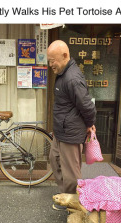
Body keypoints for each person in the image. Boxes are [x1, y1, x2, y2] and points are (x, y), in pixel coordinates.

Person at [47, 40, 96, 210]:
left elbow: (87, 105)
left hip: (71, 132)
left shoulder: (72, 78)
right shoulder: (63, 74)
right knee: (55, 161)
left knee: (71, 172)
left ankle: (74, 204)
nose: (50, 64)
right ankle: (65, 196)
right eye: (49, 60)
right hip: (62, 130)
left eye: (53, 60)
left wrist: (89, 124)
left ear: (65, 56)